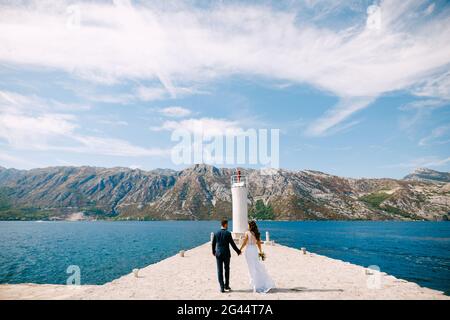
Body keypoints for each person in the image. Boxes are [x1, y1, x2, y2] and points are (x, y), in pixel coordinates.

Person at [239, 220, 274, 293]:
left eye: (248, 225)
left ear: (250, 226)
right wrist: (260, 251)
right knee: (256, 265)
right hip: (254, 250)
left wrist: (240, 249)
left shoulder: (247, 233)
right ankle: (258, 282)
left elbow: (245, 242)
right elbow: (258, 243)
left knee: (251, 266)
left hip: (249, 250)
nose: (247, 226)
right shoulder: (257, 233)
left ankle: (254, 283)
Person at [212, 218, 241, 293]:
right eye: (227, 224)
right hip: (226, 254)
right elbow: (232, 244)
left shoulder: (216, 233)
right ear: (225, 224)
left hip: (218, 253)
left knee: (219, 270)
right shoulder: (228, 233)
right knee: (227, 269)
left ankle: (222, 287)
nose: (228, 225)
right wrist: (238, 251)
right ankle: (226, 285)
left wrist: (213, 251)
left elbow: (213, 243)